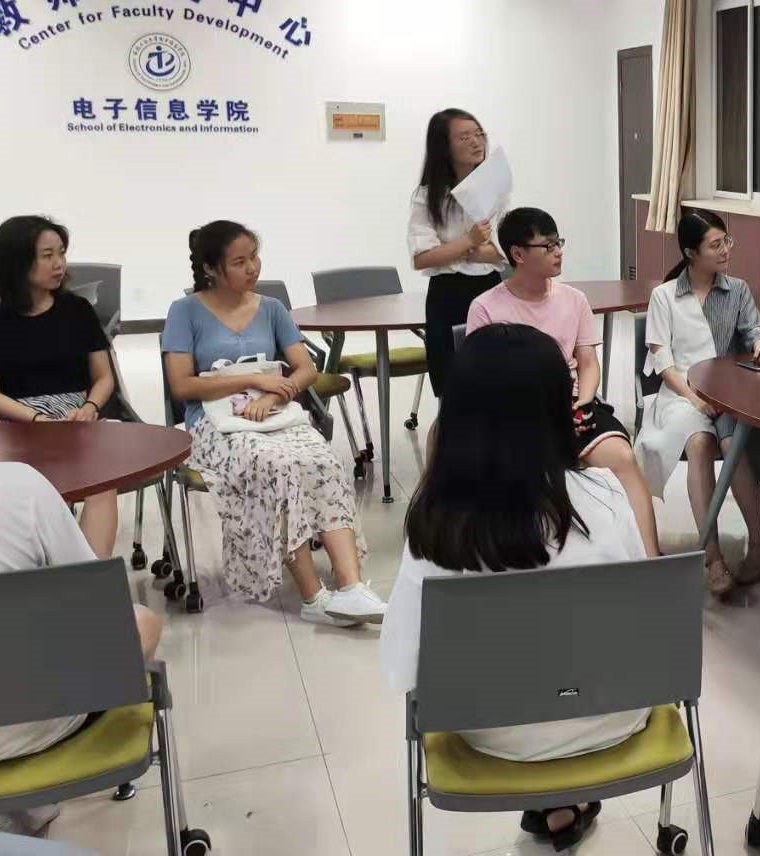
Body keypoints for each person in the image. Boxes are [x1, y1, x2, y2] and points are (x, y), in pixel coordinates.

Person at [381, 323, 648, 850]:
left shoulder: (436, 525)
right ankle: (564, 800)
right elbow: (641, 621)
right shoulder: (605, 494)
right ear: (557, 410)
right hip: (614, 715)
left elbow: (404, 664)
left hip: (492, 732)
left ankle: (556, 800)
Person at [163, 221, 386, 624]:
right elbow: (181, 386)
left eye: (254, 257)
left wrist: (272, 395)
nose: (253, 268)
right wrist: (252, 379)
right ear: (210, 268)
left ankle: (351, 587)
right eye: (239, 262)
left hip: (274, 412)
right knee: (275, 466)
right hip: (215, 423)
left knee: (322, 460)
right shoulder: (185, 311)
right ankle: (313, 598)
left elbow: (305, 368)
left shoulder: (271, 308)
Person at [0, 461, 162, 836]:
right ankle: (21, 802)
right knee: (141, 621)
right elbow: (98, 606)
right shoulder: (21, 486)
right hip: (37, 724)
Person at [467, 208, 661, 557]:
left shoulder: (574, 299)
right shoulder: (485, 307)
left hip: (569, 404)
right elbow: (481, 376)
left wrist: (584, 401)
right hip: (513, 413)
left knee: (621, 455)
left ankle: (650, 560)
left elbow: (587, 362)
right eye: (548, 245)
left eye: (559, 243)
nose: (558, 252)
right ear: (518, 254)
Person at [634, 209, 760, 596]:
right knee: (699, 444)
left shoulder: (737, 290)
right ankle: (712, 556)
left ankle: (758, 544)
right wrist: (693, 399)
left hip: (727, 393)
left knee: (733, 444)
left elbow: (753, 329)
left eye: (726, 241)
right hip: (680, 393)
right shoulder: (665, 296)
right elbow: (663, 363)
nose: (725, 250)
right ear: (690, 252)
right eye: (715, 245)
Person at [0, 216, 119, 557]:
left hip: (77, 422)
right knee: (30, 491)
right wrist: (38, 420)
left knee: (102, 484)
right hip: (17, 426)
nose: (59, 263)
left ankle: (89, 578)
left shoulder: (77, 310)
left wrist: (90, 408)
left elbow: (104, 377)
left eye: (61, 253)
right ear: (17, 261)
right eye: (47, 255)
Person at [407, 108, 507, 397]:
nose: (476, 142)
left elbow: (502, 251)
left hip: (490, 288)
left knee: (496, 378)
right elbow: (422, 258)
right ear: (444, 146)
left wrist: (458, 251)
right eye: (464, 137)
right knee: (453, 382)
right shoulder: (427, 196)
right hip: (447, 294)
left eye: (479, 134)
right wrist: (469, 242)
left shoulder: (494, 188)